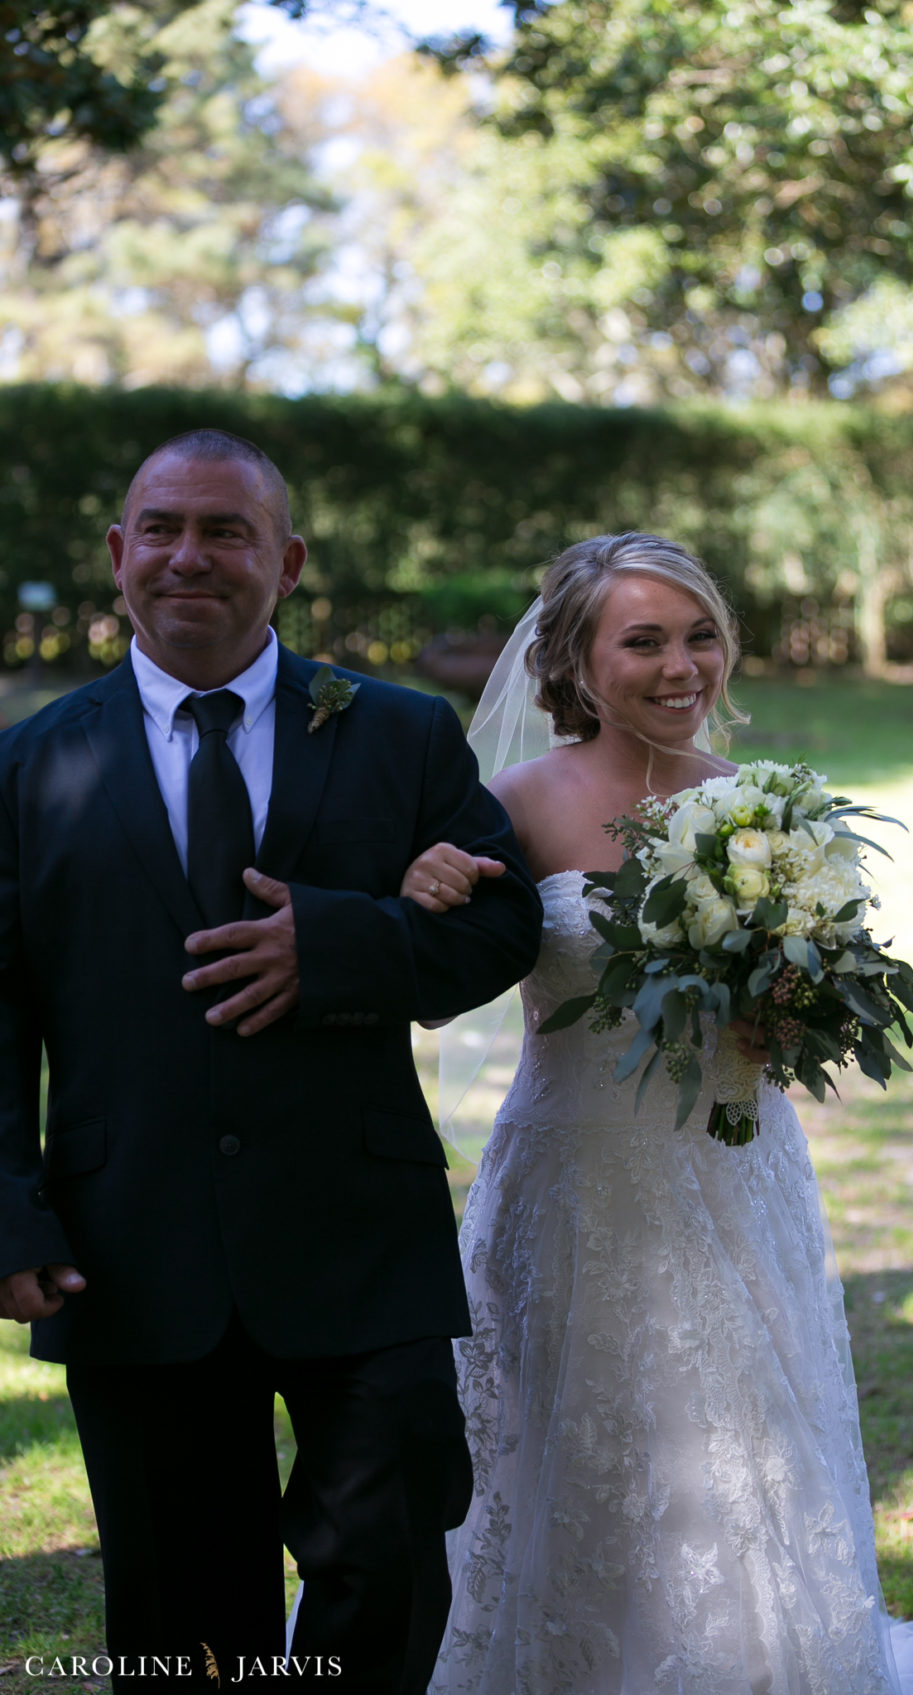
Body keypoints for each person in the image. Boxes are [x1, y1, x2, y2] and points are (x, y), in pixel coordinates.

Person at [0, 430, 543, 1693]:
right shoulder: (27, 765)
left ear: (286, 563)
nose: (188, 556)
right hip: (129, 1242)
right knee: (179, 1601)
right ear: (118, 553)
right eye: (162, 529)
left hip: (360, 1233)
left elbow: (505, 923)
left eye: (226, 531)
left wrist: (340, 945)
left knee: (388, 1555)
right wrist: (9, 1210)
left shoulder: (399, 733)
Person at [398, 533, 913, 1694]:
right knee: (559, 1437)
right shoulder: (510, 804)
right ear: (573, 661)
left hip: (732, 1173)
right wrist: (423, 888)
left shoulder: (766, 810)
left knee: (739, 1430)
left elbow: (805, 1019)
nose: (679, 665)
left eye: (699, 636)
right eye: (642, 640)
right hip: (568, 1180)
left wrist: (787, 1013)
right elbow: (438, 982)